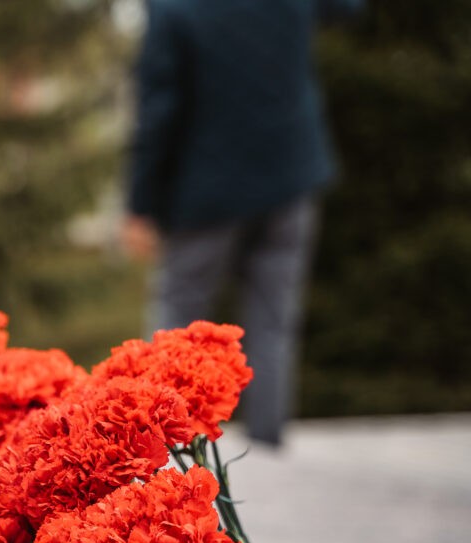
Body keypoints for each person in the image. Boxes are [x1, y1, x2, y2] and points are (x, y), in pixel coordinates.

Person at [123, 0, 363, 446]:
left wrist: (141, 204)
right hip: (290, 177)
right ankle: (269, 444)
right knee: (274, 321)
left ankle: (160, 450)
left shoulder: (174, 9)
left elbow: (157, 114)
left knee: (177, 324)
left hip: (205, 192)